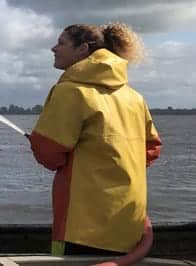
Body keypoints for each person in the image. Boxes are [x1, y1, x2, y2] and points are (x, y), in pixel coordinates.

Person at [29, 23, 162, 258]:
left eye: (61, 43)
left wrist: (38, 142)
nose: (53, 48)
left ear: (82, 49)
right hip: (128, 222)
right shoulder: (134, 97)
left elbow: (49, 154)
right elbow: (150, 150)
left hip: (83, 226)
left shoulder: (70, 91)